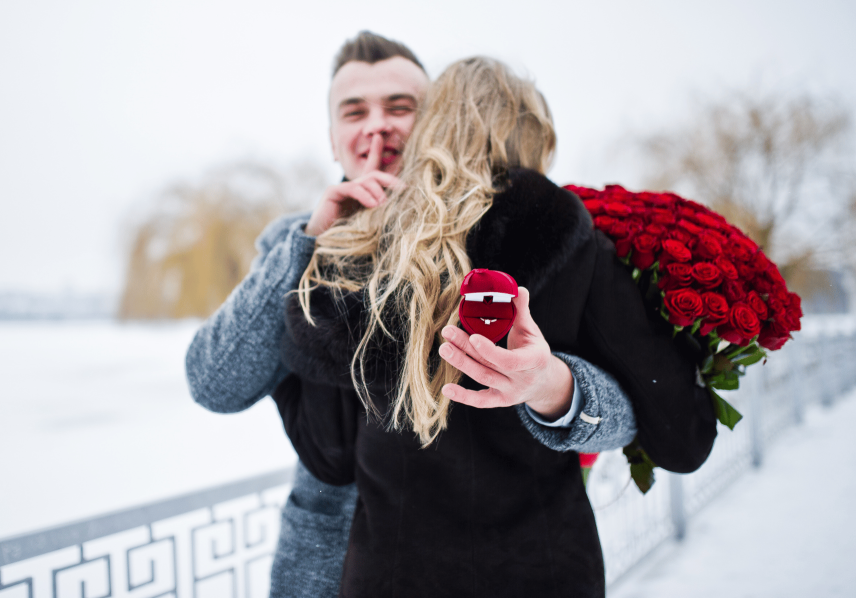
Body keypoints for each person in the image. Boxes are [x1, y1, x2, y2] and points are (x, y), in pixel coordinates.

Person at [186, 34, 637, 597]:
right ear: (333, 139)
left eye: (401, 107)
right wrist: (310, 242)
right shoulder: (292, 243)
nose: (377, 126)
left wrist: (553, 385)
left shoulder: (519, 231)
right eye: (355, 112)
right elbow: (213, 383)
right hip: (323, 574)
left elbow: (626, 413)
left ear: (439, 121)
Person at [273, 57, 717, 596]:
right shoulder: (572, 237)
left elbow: (330, 455)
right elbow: (683, 439)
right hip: (542, 575)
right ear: (531, 133)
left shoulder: (359, 247)